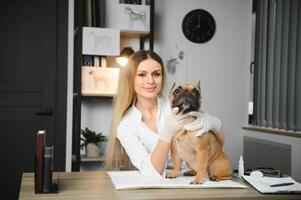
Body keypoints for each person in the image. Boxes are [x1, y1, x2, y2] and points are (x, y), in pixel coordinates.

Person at [105, 50, 224, 178]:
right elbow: (152, 172)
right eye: (142, 75)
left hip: (190, 178)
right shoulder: (126, 124)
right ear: (130, 79)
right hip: (155, 185)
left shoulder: (178, 104)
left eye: (156, 74)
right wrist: (167, 133)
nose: (150, 81)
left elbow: (217, 146)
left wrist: (214, 124)